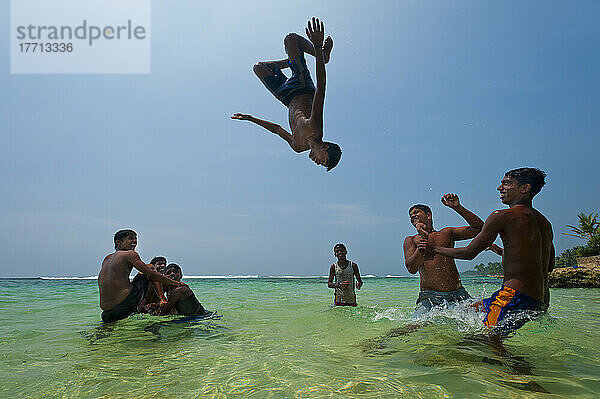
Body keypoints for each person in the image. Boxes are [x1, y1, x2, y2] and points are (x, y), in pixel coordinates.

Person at [431, 168, 554, 335]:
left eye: (506, 183)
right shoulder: (545, 223)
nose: (499, 188)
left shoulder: (502, 216)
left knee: (483, 342)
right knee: (467, 311)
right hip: (541, 300)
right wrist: (508, 253)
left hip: (514, 297)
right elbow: (549, 265)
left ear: (525, 188)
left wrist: (435, 248)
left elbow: (469, 253)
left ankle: (518, 362)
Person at [231, 17, 341, 171]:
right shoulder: (316, 128)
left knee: (259, 68)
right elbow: (321, 87)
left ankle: (291, 60)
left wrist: (251, 119)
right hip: (302, 86)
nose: (318, 163)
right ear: (324, 147)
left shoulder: (297, 146)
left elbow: (277, 130)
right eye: (323, 161)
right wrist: (316, 46)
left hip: (286, 96)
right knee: (291, 39)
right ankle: (322, 56)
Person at [404, 194, 494, 318]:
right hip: (430, 297)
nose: (412, 216)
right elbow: (411, 269)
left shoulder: (446, 233)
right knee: (414, 325)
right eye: (410, 216)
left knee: (486, 318)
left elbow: (479, 229)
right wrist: (423, 241)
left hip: (458, 295)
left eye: (415, 213)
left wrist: (457, 207)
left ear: (428, 215)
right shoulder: (411, 240)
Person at [98, 230, 185, 323]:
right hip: (124, 305)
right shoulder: (130, 254)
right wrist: (176, 283)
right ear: (118, 242)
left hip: (107, 313)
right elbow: (151, 274)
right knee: (150, 267)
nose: (135, 241)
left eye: (136, 239)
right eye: (130, 238)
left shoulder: (107, 258)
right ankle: (162, 299)